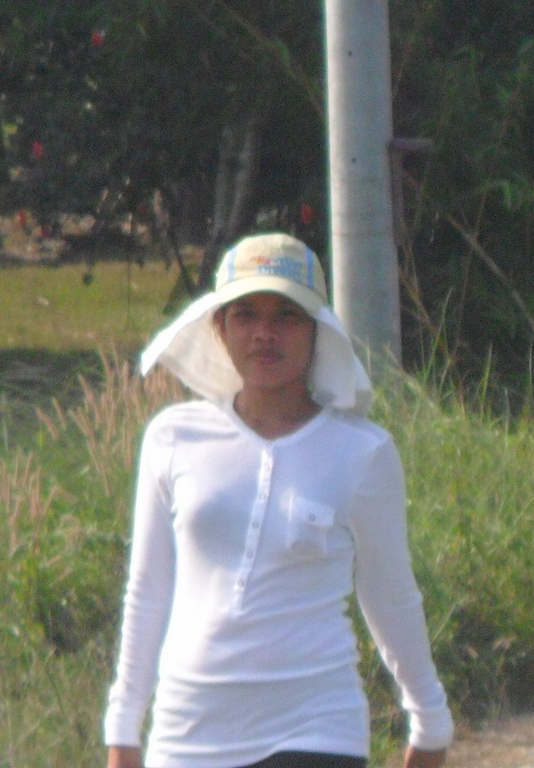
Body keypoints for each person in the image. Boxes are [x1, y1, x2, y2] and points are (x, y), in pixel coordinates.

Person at [104, 233, 453, 768]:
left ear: (317, 332)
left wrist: (429, 723)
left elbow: (390, 595)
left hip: (317, 727)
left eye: (287, 316)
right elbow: (148, 590)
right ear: (220, 328)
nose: (264, 333)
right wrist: (123, 730)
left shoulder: (362, 452)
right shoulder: (173, 437)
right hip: (187, 734)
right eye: (245, 314)